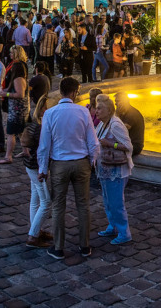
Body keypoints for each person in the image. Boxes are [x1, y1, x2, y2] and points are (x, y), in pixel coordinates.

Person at [36, 76, 99, 260]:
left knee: (58, 207)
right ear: (74, 92)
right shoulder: (83, 112)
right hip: (81, 163)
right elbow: (93, 142)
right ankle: (84, 246)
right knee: (83, 205)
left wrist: (42, 169)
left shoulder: (50, 114)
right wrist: (92, 161)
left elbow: (44, 145)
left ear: (62, 91)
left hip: (59, 164)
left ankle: (58, 248)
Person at [93, 94, 135, 245]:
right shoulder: (102, 124)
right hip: (104, 169)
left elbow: (129, 146)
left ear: (109, 110)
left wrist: (111, 144)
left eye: (99, 108)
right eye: (96, 108)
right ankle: (113, 225)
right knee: (108, 201)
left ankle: (124, 233)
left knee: (117, 203)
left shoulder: (116, 124)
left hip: (116, 171)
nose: (96, 111)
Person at [19, 94, 52, 249]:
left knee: (35, 199)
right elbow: (43, 150)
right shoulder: (40, 128)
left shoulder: (32, 124)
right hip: (36, 167)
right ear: (41, 111)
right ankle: (33, 236)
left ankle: (36, 229)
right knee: (46, 202)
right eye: (48, 109)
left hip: (29, 166)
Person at [114, 91, 145, 158]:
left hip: (134, 146)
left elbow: (120, 130)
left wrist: (116, 115)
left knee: (111, 147)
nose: (115, 103)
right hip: (124, 143)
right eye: (115, 101)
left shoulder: (132, 114)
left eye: (118, 101)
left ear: (125, 101)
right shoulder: (122, 112)